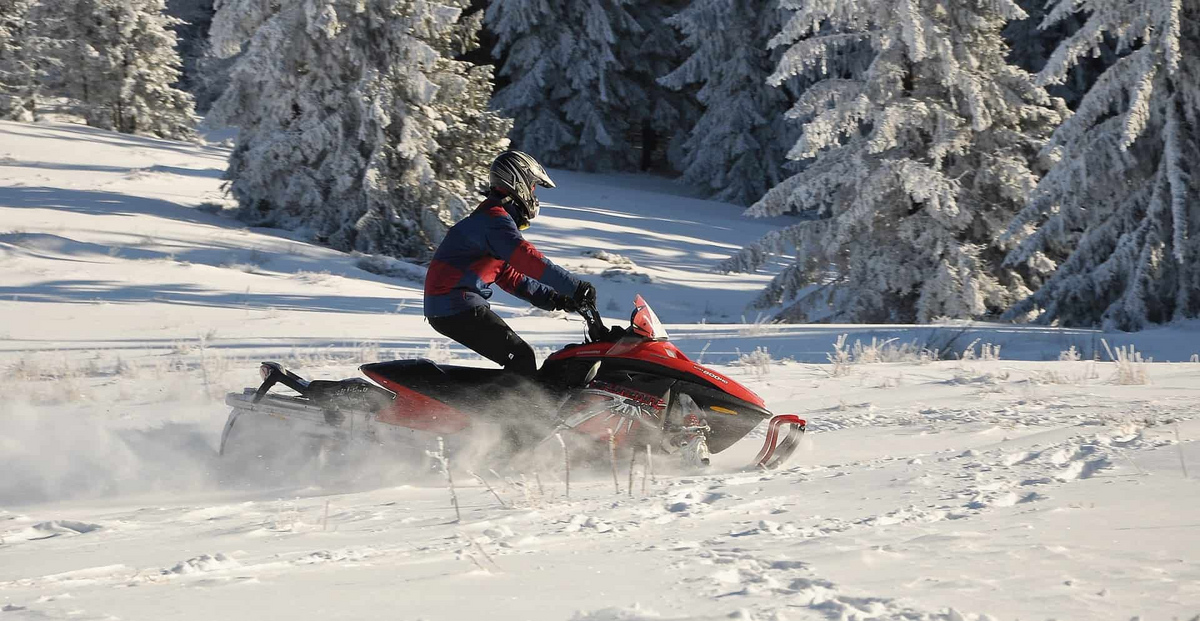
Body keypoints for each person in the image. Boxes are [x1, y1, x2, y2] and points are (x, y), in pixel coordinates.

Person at [423, 151, 597, 377]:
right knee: (521, 357)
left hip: (452, 304)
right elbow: (527, 259)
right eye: (533, 187)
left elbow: (510, 276)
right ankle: (505, 412)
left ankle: (498, 406)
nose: (534, 195)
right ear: (518, 182)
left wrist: (556, 299)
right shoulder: (494, 220)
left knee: (519, 358)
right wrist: (575, 287)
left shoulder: (492, 219)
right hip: (454, 304)